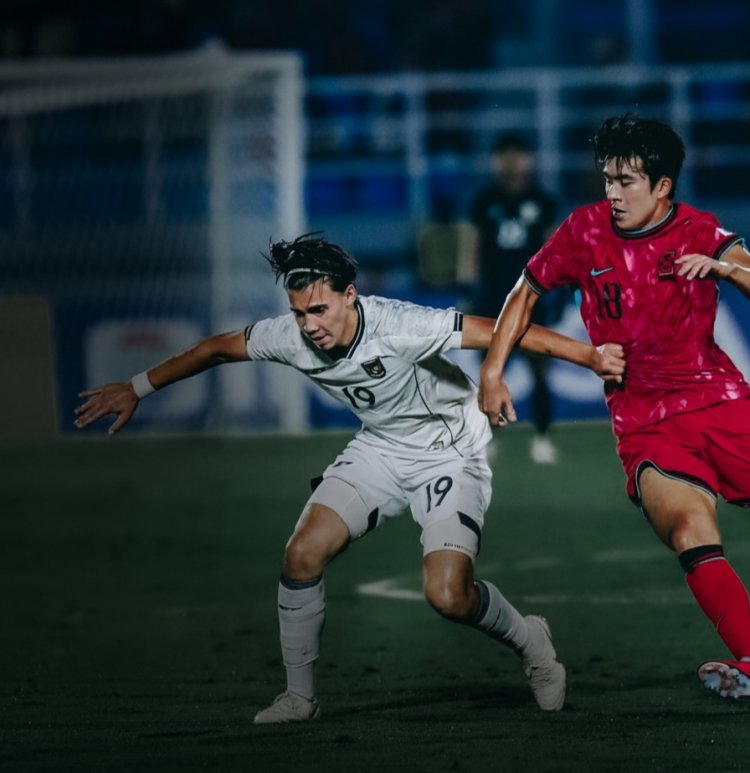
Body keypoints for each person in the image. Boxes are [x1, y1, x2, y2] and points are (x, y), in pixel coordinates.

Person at [74, 233, 625, 722]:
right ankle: (300, 698)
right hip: (378, 450)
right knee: (301, 555)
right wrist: (137, 387)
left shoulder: (402, 325)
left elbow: (504, 329)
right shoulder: (289, 337)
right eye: (298, 313)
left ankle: (531, 641)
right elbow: (215, 348)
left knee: (448, 596)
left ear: (350, 295)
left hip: (448, 455)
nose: (309, 326)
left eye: (318, 309)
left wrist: (589, 355)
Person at [478, 114, 750, 700]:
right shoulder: (583, 232)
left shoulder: (699, 230)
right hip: (645, 420)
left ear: (662, 187)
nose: (612, 193)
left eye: (626, 181)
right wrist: (493, 370)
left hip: (720, 402)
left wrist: (725, 267)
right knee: (689, 530)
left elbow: (747, 268)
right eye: (607, 179)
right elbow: (524, 292)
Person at [469, 130, 562, 464]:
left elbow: (553, 248)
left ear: (528, 160)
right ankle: (485, 437)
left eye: (517, 154)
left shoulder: (543, 201)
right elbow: (475, 246)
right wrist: (469, 283)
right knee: (489, 370)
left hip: (530, 298)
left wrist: (557, 286)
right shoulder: (484, 201)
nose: (512, 162)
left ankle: (542, 437)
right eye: (505, 155)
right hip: (493, 297)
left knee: (540, 370)